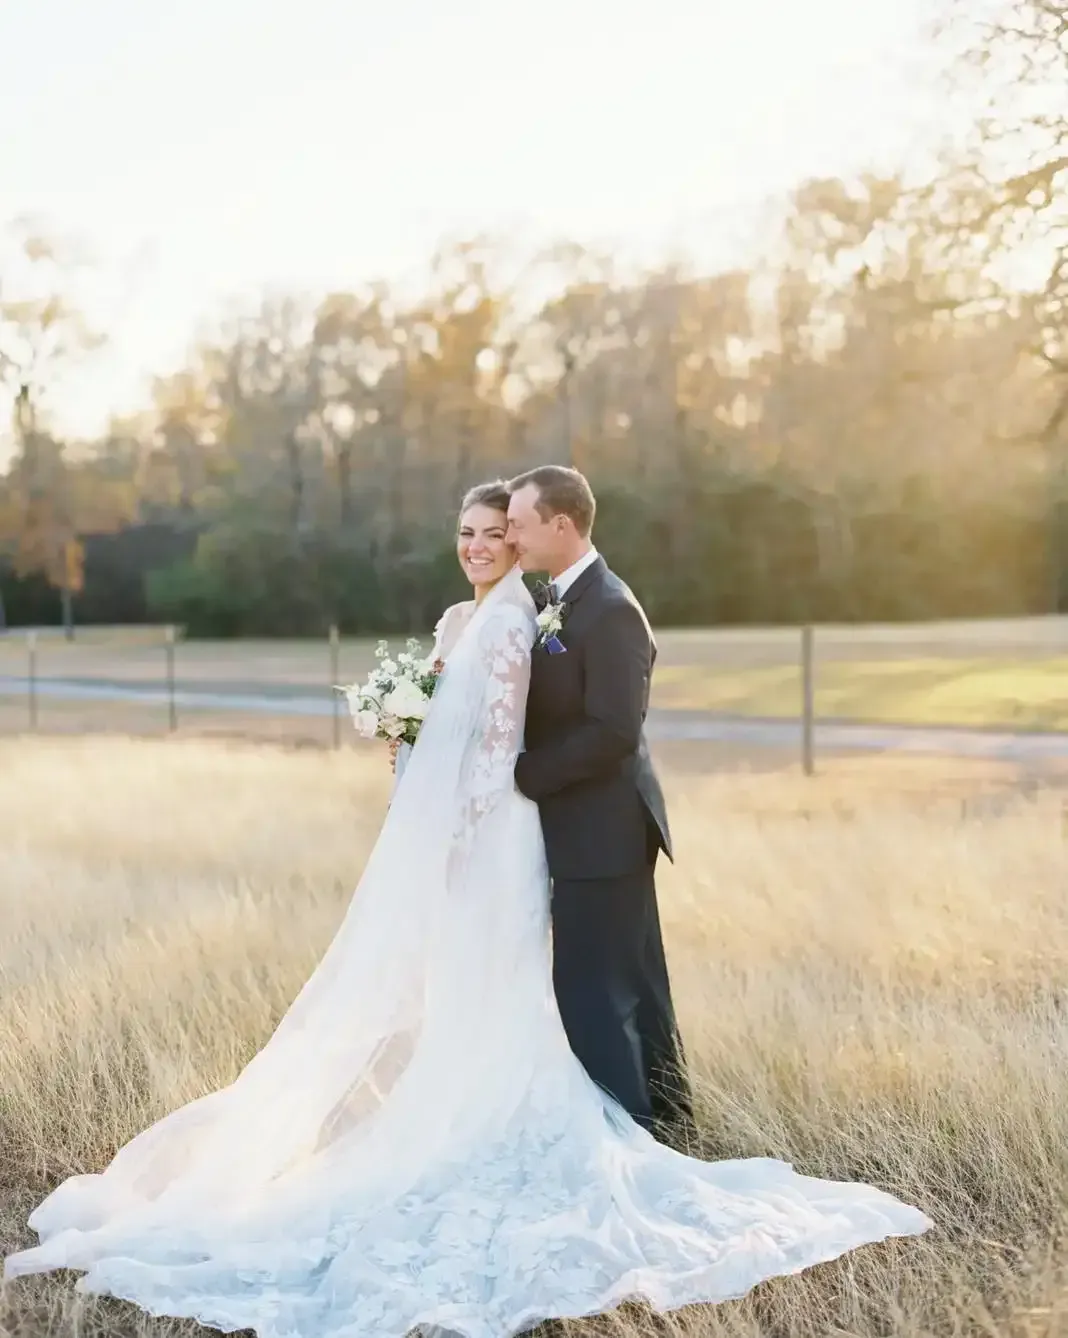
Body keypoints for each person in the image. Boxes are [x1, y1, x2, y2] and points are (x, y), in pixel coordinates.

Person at [3, 480, 932, 1338]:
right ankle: (494, 1101)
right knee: (476, 982)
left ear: (541, 533)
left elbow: (502, 747)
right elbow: (453, 736)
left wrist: (452, 833)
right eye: (473, 532)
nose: (488, 543)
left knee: (524, 977)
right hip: (477, 830)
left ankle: (572, 1112)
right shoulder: (466, 616)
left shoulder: (533, 614)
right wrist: (406, 742)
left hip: (501, 839)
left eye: (503, 529)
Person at [507, 465, 692, 1145]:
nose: (512, 536)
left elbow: (614, 731)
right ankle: (667, 1122)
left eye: (521, 525)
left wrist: (526, 774)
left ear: (562, 525)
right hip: (591, 828)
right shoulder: (561, 599)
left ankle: (626, 1142)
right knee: (635, 986)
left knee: (594, 995)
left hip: (604, 833)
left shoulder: (610, 609)